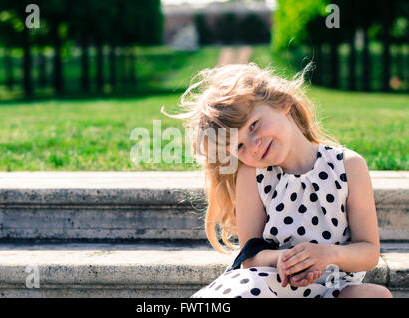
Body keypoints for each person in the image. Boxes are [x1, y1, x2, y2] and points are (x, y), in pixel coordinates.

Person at [161, 62, 393, 298]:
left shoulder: (348, 165)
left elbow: (369, 252)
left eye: (253, 126)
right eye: (239, 146)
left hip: (335, 287)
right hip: (276, 287)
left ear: (282, 102)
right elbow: (249, 256)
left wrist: (327, 255)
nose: (253, 146)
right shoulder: (252, 175)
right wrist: (281, 259)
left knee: (377, 295)